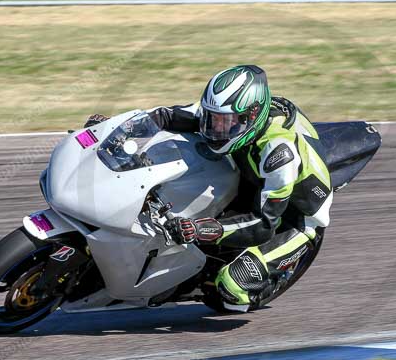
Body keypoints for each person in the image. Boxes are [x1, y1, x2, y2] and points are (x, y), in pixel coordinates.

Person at [86, 65, 333, 311]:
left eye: (225, 123)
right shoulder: (222, 114)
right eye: (212, 119)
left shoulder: (279, 154)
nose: (216, 129)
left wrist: (201, 229)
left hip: (293, 217)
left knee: (230, 290)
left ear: (252, 116)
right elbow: (163, 116)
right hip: (250, 177)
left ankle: (262, 282)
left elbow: (264, 224)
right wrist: (117, 130)